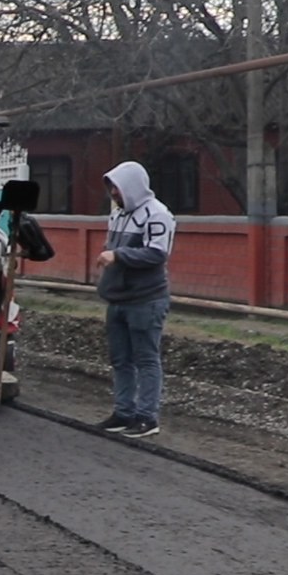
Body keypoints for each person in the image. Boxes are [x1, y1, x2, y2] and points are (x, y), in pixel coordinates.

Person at [95, 160, 173, 438]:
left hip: (145, 300)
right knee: (120, 359)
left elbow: (156, 254)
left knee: (146, 359)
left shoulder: (157, 215)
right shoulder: (117, 215)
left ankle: (147, 417)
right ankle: (123, 412)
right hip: (118, 299)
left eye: (116, 187)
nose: (113, 193)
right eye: (110, 188)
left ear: (131, 186)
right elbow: (112, 247)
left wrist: (117, 256)